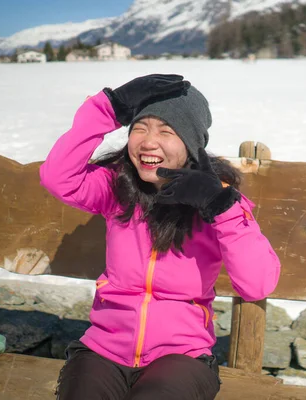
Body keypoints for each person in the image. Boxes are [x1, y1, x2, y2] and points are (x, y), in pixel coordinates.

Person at [40, 74, 281, 400]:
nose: (148, 142)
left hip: (182, 357)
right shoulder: (117, 190)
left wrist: (221, 207)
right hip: (104, 349)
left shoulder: (219, 202)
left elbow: (257, 284)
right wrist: (107, 107)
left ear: (192, 143)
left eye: (166, 131)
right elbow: (58, 178)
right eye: (140, 128)